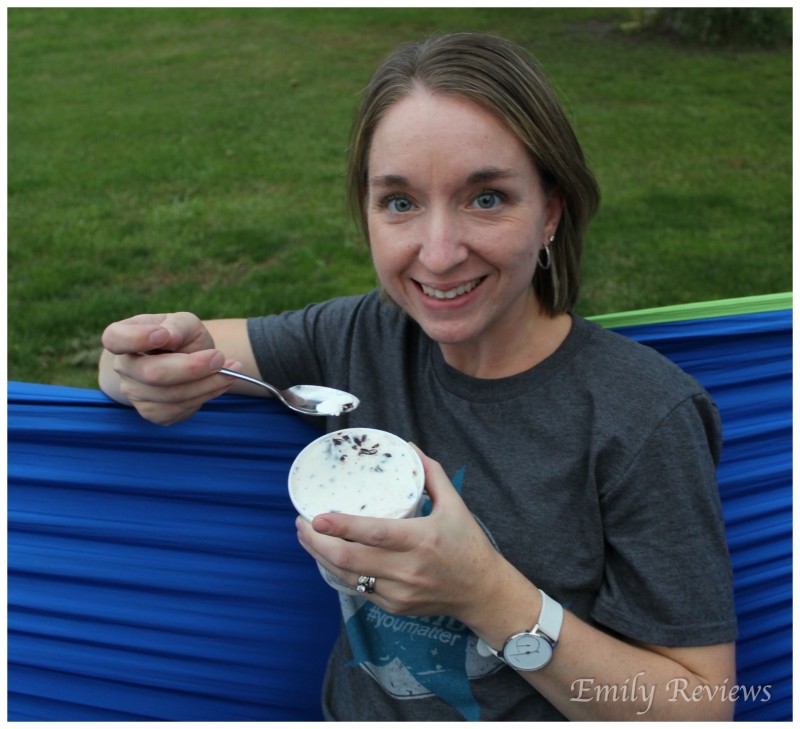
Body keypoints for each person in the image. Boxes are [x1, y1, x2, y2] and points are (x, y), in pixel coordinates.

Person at [98, 32, 738, 721]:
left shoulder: (642, 416)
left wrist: (483, 592)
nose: (437, 254)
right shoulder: (355, 337)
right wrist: (136, 364)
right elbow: (187, 349)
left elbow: (698, 707)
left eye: (486, 197)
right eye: (399, 202)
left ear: (551, 209)